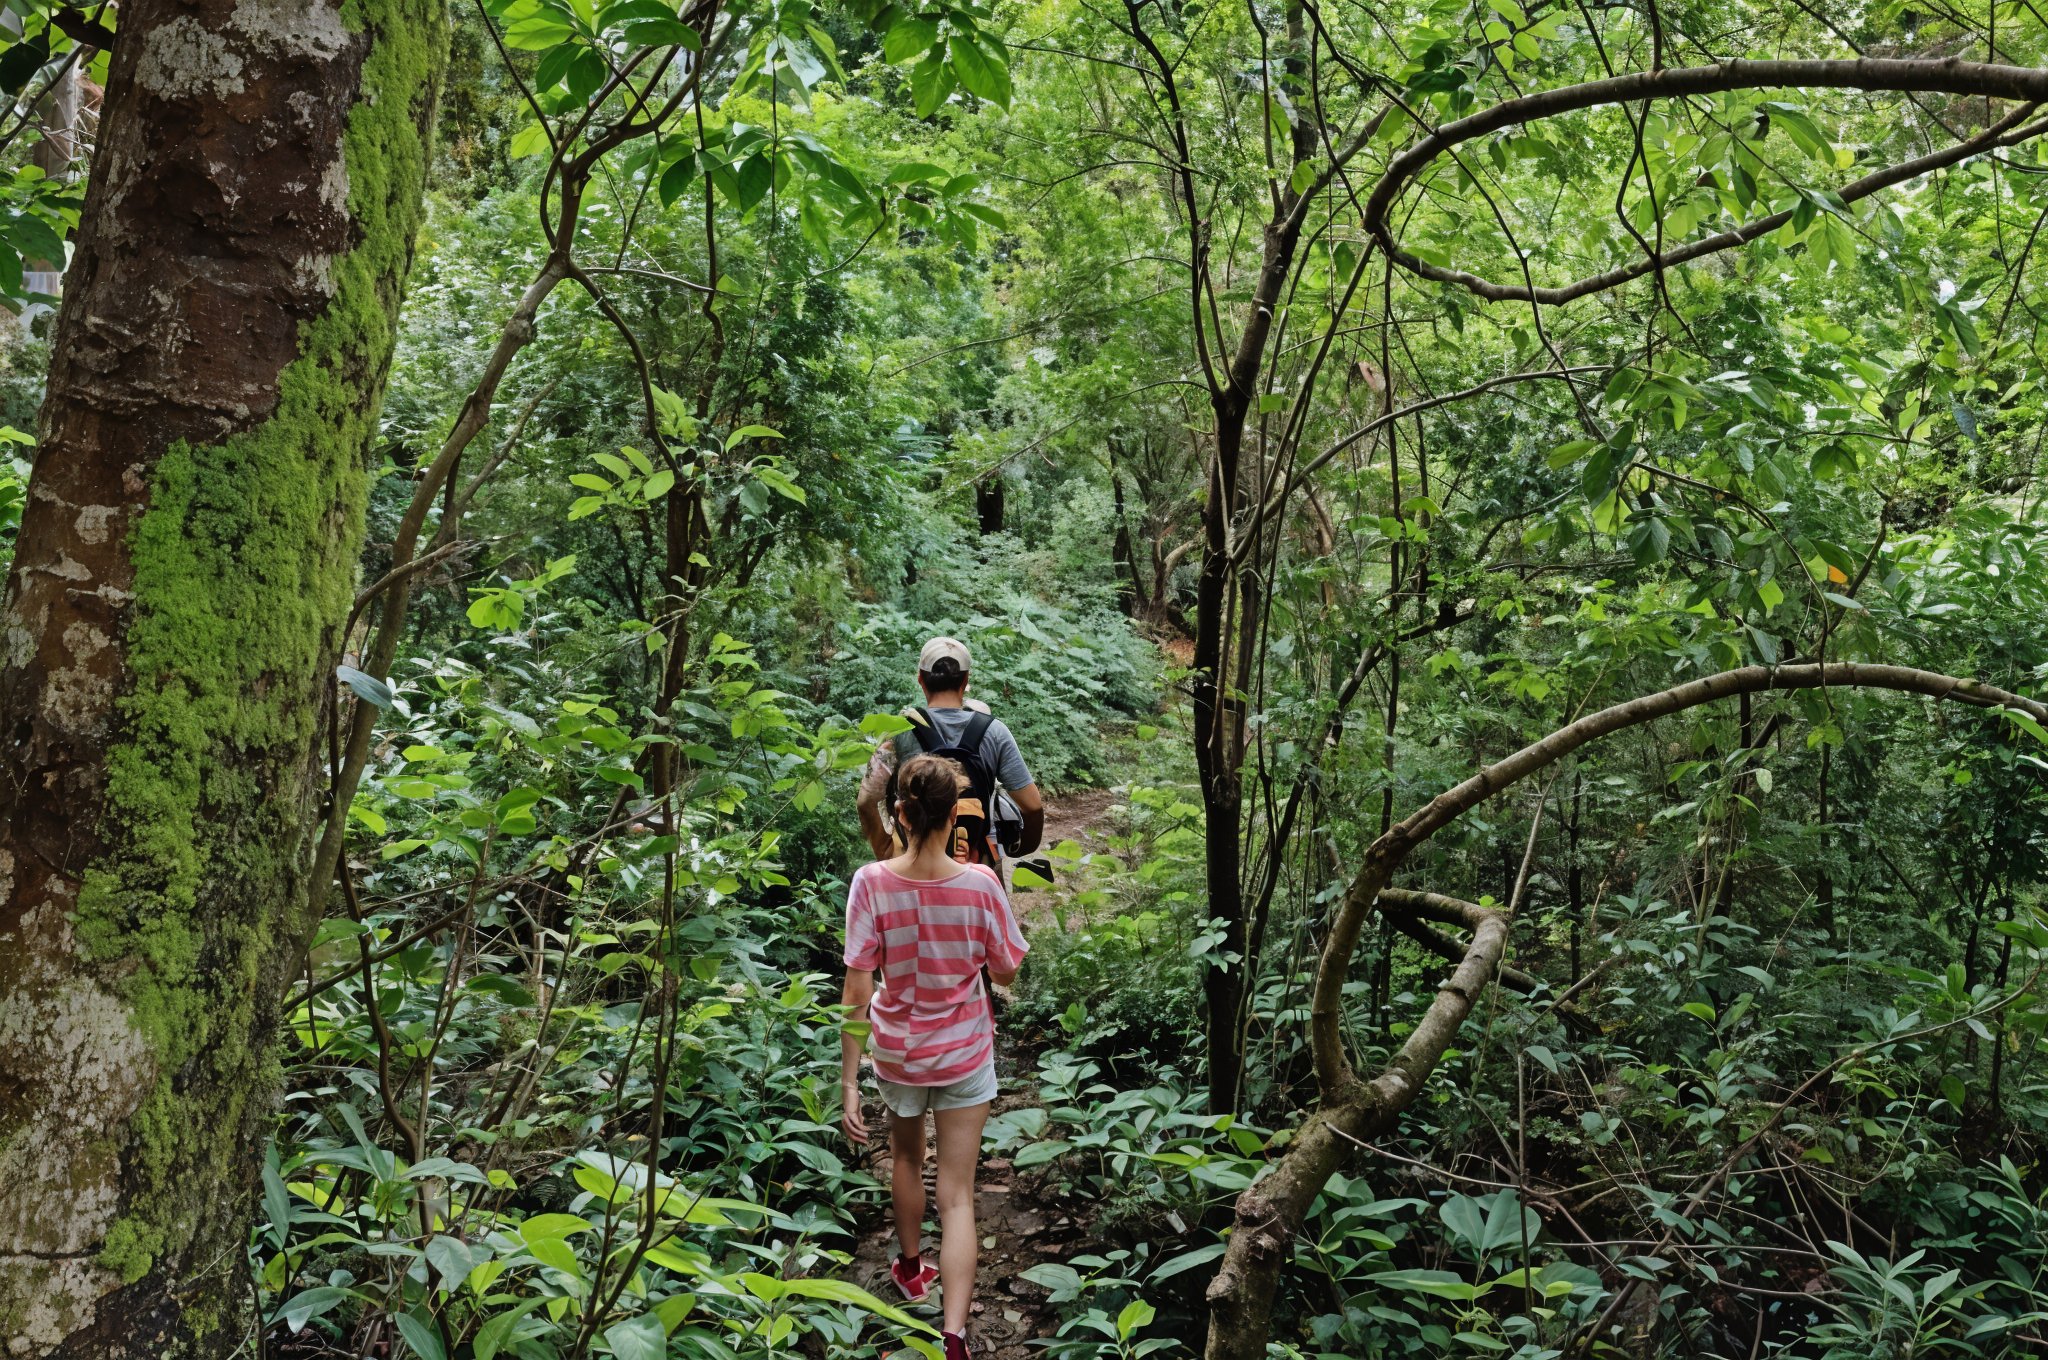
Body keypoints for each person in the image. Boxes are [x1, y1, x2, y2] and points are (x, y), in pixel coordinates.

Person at [841, 754, 1029, 1360]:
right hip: (964, 1055)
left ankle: (911, 1267)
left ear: (900, 812)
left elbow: (856, 989)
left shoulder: (871, 881)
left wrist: (849, 1081)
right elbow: (1004, 970)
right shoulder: (980, 884)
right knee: (957, 1194)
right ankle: (953, 1334)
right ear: (956, 816)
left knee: (903, 1155)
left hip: (897, 1053)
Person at [856, 636, 1044, 871]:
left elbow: (866, 799)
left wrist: (885, 850)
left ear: (920, 679)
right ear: (965, 681)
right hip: (976, 863)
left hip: (913, 865)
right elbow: (1032, 806)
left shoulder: (899, 731)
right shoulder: (995, 731)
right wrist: (1023, 847)